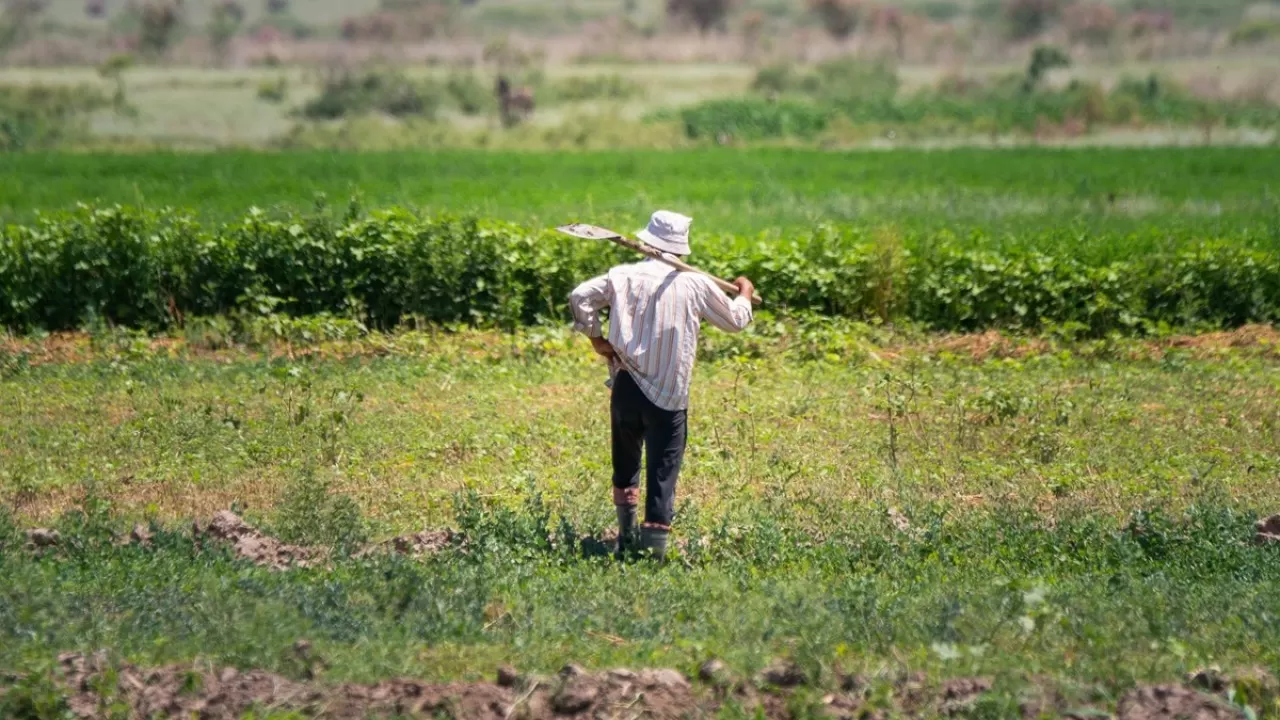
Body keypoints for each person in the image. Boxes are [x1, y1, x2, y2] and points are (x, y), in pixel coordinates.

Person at [568, 210, 756, 560]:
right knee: (662, 474)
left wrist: (596, 339)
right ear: (682, 248)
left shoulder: (621, 276)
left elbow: (580, 295)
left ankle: (625, 540)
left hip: (625, 388)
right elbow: (735, 321)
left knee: (625, 465)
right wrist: (744, 290)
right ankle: (653, 559)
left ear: (647, 242)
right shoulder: (696, 284)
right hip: (668, 398)